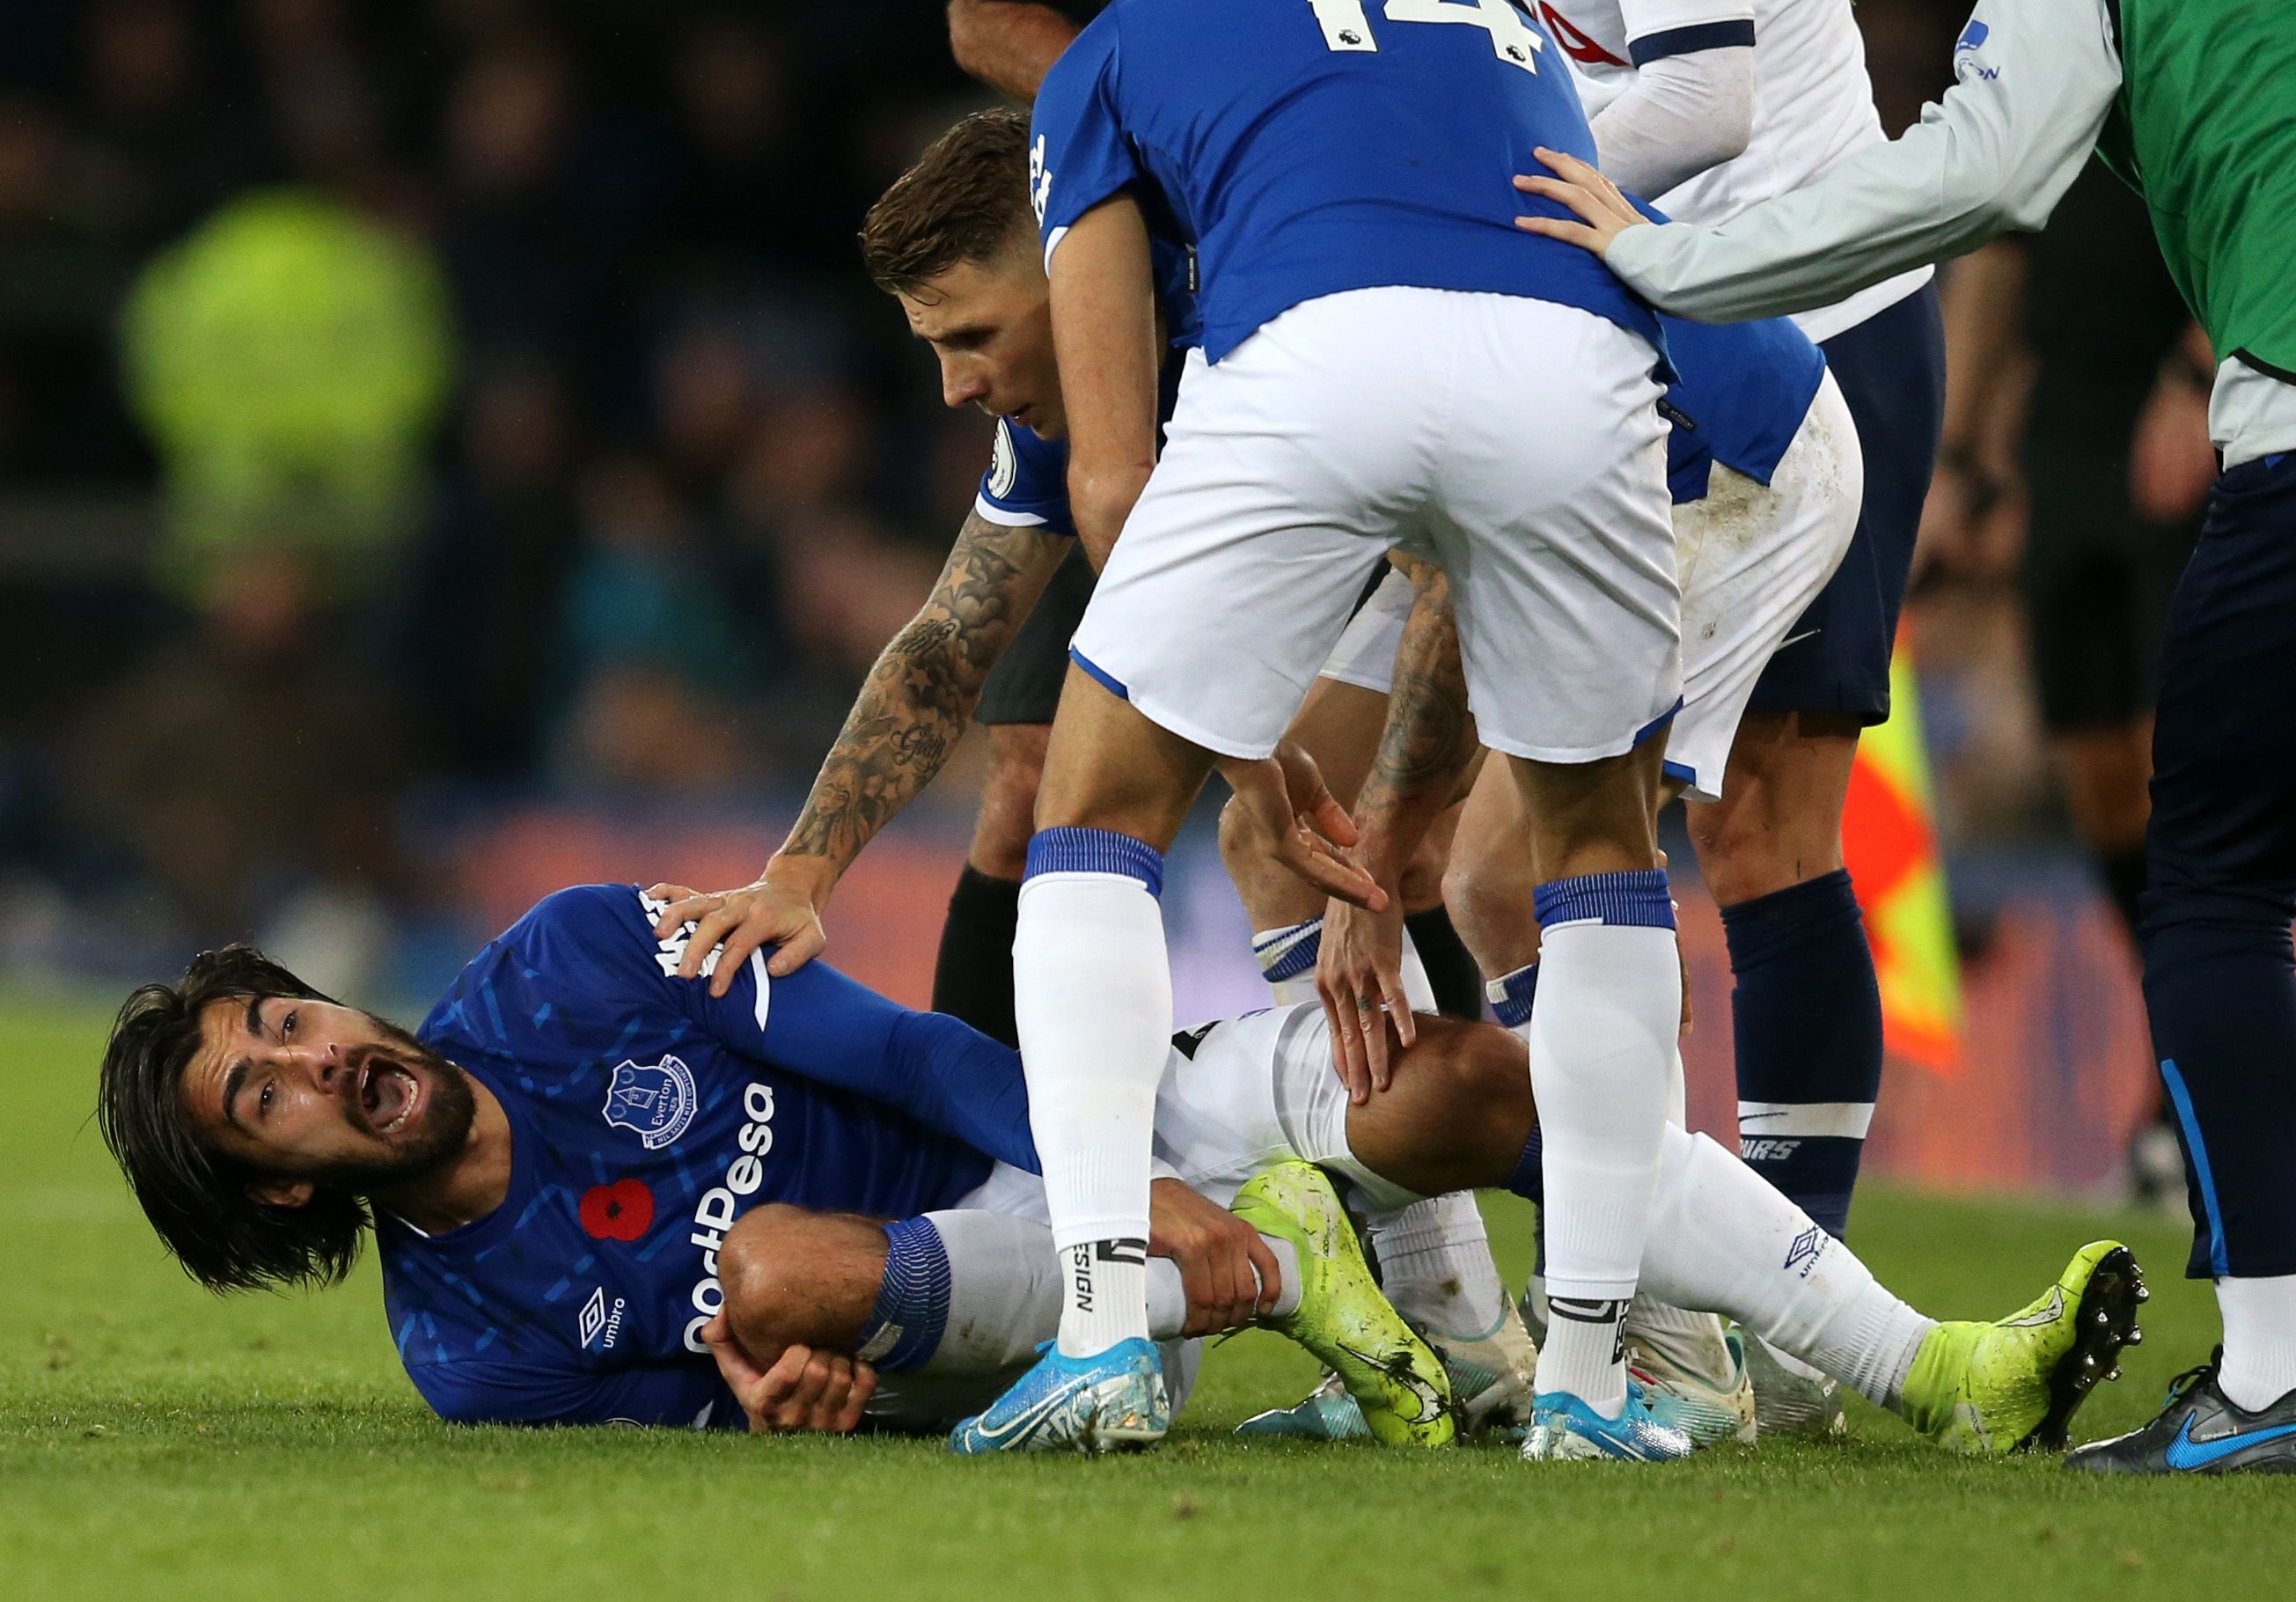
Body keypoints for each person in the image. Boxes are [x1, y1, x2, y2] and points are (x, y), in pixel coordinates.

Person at [96, 880, 2142, 1458]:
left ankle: (1931, 1366)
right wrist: (800, 1407)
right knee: (775, 1282)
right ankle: (1265, 1285)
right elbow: (753, 1412)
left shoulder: (564, 962)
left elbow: (903, 1045)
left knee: (1462, 1083)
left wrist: (1107, 1191)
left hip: (1057, 1133)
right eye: (257, 1099)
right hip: (983, 1314)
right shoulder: (474, 1353)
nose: (313, 1060)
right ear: (274, 1198)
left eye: (282, 1021)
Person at [1518, 0, 2296, 1475]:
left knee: (2211, 891)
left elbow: (1963, 168)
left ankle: (2263, 1376)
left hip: (1867, 349)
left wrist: (1660, 255)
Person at [1529, 7, 1948, 1438]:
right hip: (1646, 324)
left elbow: (1706, 99)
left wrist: (1458, 196)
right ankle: (1678, 1296)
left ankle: (1793, 1323)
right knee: (1573, 814)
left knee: (1760, 824)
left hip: (1818, 314)